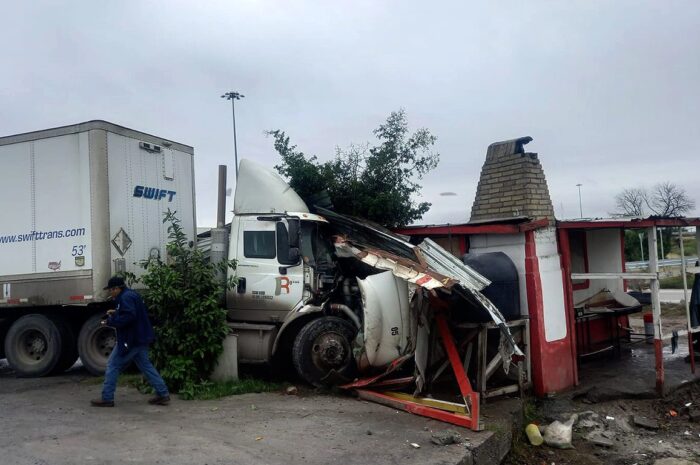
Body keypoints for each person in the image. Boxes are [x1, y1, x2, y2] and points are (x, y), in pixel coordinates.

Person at [90, 276, 170, 407]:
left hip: (131, 339)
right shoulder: (131, 294)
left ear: (117, 288)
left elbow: (129, 317)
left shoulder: (125, 297)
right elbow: (132, 312)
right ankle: (163, 394)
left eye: (111, 290)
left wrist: (110, 321)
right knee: (146, 366)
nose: (110, 292)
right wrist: (116, 312)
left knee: (112, 365)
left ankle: (107, 398)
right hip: (141, 337)